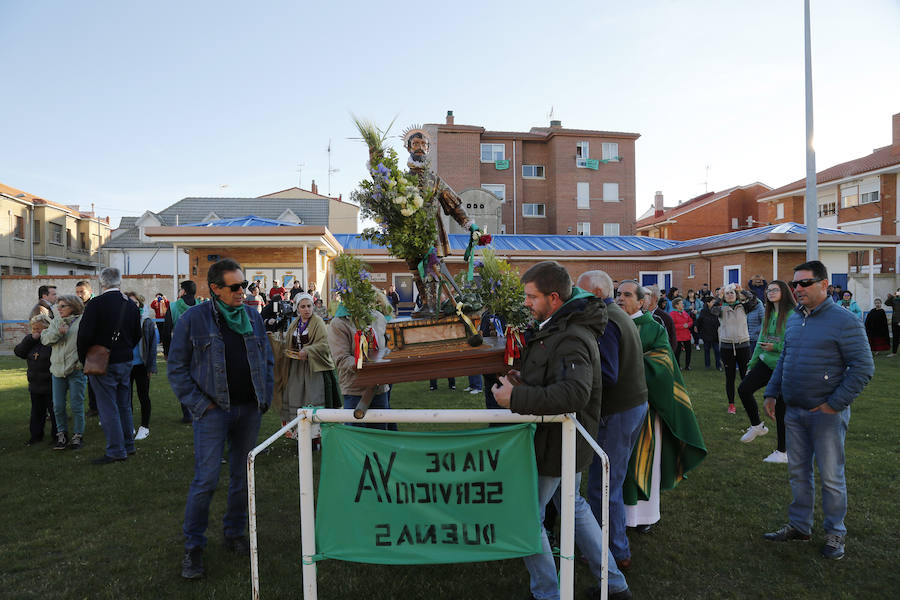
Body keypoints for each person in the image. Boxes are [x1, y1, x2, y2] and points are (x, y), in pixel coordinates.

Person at [490, 261, 632, 600]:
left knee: (527, 517)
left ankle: (548, 593)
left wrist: (516, 397)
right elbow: (558, 378)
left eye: (531, 297)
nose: (526, 302)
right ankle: (613, 584)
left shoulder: (571, 335)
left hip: (558, 443)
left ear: (554, 298)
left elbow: (574, 393)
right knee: (575, 506)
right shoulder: (560, 326)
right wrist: (525, 381)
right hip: (563, 440)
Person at [168, 258, 274, 580]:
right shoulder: (194, 320)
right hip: (213, 413)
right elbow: (176, 368)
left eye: (244, 285)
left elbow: (267, 360)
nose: (243, 291)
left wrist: (263, 397)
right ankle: (193, 547)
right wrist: (201, 405)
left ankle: (234, 533)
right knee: (206, 480)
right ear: (214, 289)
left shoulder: (253, 317)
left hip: (249, 410)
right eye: (235, 287)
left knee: (243, 477)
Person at [763, 260, 874, 561]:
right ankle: (800, 526)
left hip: (826, 414)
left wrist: (834, 404)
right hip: (794, 411)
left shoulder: (844, 320)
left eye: (805, 283)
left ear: (824, 284)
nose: (797, 289)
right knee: (798, 474)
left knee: (831, 477)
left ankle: (835, 532)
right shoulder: (796, 318)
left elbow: (863, 368)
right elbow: (785, 357)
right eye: (795, 284)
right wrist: (772, 392)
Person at [618, 281, 707, 536]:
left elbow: (663, 366)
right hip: (616, 408)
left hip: (646, 407)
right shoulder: (611, 325)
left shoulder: (653, 329)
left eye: (626, 295)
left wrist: (625, 366)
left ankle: (644, 515)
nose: (621, 299)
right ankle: (616, 515)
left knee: (643, 460)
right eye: (618, 294)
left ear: (641, 301)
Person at [578, 272, 648, 573]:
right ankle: (611, 548)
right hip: (631, 406)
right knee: (610, 481)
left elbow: (606, 374)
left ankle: (613, 553)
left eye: (578, 294)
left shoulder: (606, 319)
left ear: (595, 292)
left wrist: (574, 384)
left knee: (603, 485)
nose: (574, 299)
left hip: (619, 410)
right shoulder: (616, 314)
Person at [77, 268, 142, 464]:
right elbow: (136, 333)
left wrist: (84, 358)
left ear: (101, 282)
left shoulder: (95, 304)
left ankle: (116, 450)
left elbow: (84, 335)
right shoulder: (129, 304)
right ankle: (128, 445)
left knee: (108, 408)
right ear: (120, 281)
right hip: (125, 359)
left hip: (102, 361)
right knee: (124, 404)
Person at [737, 280, 795, 463]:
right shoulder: (770, 313)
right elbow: (762, 339)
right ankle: (757, 426)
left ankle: (782, 451)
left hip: (783, 364)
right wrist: (751, 364)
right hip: (765, 362)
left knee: (781, 407)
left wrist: (775, 346)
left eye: (775, 290)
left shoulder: (793, 314)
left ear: (784, 292)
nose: (770, 292)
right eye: (768, 290)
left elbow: (795, 342)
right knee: (744, 389)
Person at [271, 293, 340, 442]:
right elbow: (288, 341)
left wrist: (308, 351)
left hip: (314, 369)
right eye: (303, 307)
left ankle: (316, 438)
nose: (307, 309)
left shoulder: (318, 322)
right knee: (296, 397)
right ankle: (301, 436)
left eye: (309, 306)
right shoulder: (295, 324)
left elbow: (325, 344)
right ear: (297, 309)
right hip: (296, 368)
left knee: (313, 398)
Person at [327, 297, 394, 431]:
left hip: (379, 388)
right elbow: (342, 358)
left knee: (380, 436)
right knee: (357, 437)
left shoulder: (378, 317)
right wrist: (365, 365)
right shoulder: (339, 323)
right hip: (354, 389)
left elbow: (389, 348)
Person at [41, 294, 87, 451]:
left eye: (63, 306)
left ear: (73, 307)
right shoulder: (55, 322)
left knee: (76, 405)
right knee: (58, 406)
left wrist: (80, 363)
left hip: (76, 371)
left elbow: (88, 343)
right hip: (57, 371)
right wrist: (58, 333)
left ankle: (78, 435)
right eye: (58, 306)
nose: (58, 309)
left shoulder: (82, 322)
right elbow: (45, 340)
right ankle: (61, 434)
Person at [712, 284, 759, 414]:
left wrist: (742, 290)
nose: (730, 295)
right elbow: (713, 310)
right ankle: (731, 404)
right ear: (724, 296)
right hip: (727, 347)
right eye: (727, 293)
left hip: (743, 345)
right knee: (730, 377)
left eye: (732, 292)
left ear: (736, 294)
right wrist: (719, 297)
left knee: (745, 376)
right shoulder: (721, 308)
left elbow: (754, 300)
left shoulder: (743, 307)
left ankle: (748, 402)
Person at [15, 313, 57, 445]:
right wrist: (30, 339)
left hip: (50, 383)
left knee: (54, 411)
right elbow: (19, 352)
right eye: (34, 329)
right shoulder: (30, 342)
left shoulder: (51, 341)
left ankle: (57, 435)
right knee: (36, 412)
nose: (36, 332)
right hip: (35, 382)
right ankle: (36, 436)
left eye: (39, 329)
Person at [127, 292, 158, 441]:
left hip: (141, 366)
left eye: (135, 302)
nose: (133, 305)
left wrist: (150, 367)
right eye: (129, 302)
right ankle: (128, 425)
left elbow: (152, 347)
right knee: (126, 397)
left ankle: (144, 427)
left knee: (143, 395)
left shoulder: (146, 322)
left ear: (139, 304)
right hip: (125, 365)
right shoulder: (122, 320)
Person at [75, 280, 100, 417]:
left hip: (94, 347)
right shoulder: (77, 306)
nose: (79, 295)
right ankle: (93, 406)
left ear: (90, 292)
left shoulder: (95, 305)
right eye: (77, 292)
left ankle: (96, 406)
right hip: (81, 346)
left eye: (82, 292)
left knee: (94, 378)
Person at [646, 285, 676, 350]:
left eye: (647, 295)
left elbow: (672, 341)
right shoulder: (638, 314)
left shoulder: (665, 317)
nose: (642, 298)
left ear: (655, 299)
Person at [696, 296, 722, 370]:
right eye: (712, 302)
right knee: (706, 350)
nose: (714, 303)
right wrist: (696, 326)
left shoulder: (716, 310)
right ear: (708, 303)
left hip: (715, 334)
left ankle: (718, 365)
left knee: (717, 350)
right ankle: (707, 365)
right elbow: (699, 321)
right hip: (706, 333)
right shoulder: (703, 311)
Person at [670, 297, 693, 371]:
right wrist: (682, 326)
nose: (683, 304)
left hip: (686, 336)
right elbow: (672, 325)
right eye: (681, 303)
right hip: (678, 336)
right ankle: (678, 366)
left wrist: (688, 325)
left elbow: (691, 321)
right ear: (676, 305)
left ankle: (687, 365)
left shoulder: (684, 312)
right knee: (677, 352)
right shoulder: (672, 314)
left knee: (688, 351)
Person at [150, 292, 172, 357]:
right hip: (158, 319)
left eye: (159, 296)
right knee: (160, 330)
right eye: (157, 296)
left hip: (165, 319)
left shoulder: (164, 302)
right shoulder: (156, 303)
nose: (159, 298)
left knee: (164, 331)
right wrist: (155, 300)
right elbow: (152, 306)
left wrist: (165, 299)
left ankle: (164, 341)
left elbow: (169, 305)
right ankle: (161, 341)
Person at [887, 289, 900, 356]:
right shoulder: (894, 300)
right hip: (895, 321)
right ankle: (894, 352)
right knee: (895, 337)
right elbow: (887, 303)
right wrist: (891, 297)